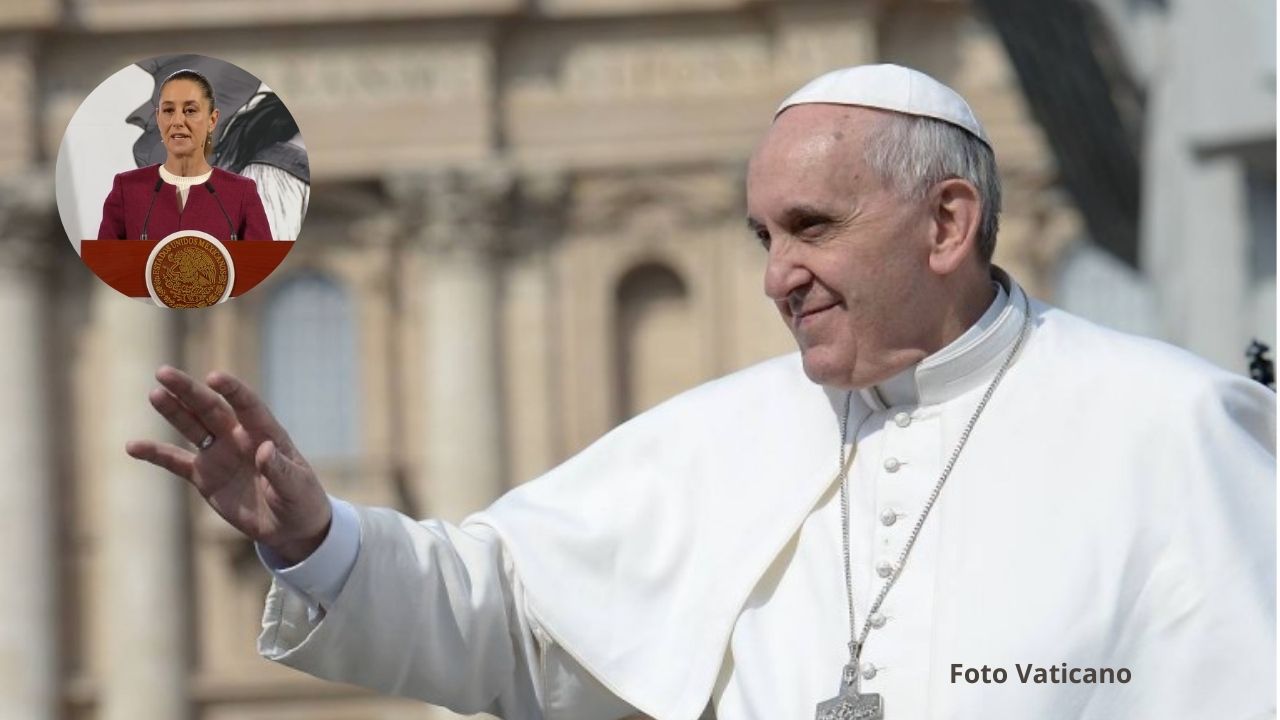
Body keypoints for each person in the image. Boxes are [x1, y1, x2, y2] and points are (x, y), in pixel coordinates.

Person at [126, 64, 1275, 719]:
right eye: (761, 234)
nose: (776, 272)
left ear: (946, 223)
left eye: (812, 227)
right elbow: (506, 620)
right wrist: (316, 540)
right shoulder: (714, 437)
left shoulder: (1168, 429)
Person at [97, 68, 272, 242]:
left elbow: (261, 263)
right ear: (158, 118)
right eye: (168, 111)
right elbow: (105, 262)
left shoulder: (241, 192)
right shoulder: (127, 188)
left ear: (212, 120)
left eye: (190, 110)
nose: (177, 121)